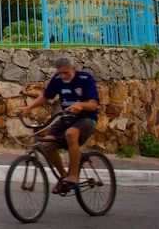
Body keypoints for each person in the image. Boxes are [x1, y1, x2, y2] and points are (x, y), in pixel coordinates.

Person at [17, 56, 100, 195]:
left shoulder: (85, 79)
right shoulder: (57, 79)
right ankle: (64, 178)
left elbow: (93, 104)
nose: (63, 76)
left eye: (66, 73)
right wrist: (28, 108)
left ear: (73, 69)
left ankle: (74, 176)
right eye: (60, 73)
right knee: (46, 145)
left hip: (86, 118)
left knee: (71, 134)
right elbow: (45, 96)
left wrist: (80, 105)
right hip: (66, 118)